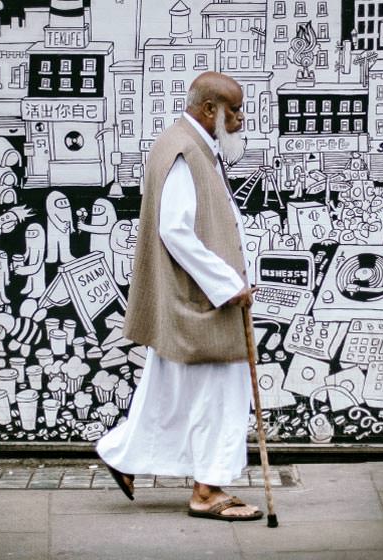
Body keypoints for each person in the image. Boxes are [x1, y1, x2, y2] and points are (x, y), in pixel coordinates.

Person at [96, 71, 262, 521]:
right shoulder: (186, 150)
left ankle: (123, 455)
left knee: (169, 388)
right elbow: (175, 230)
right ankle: (206, 492)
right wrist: (228, 287)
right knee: (220, 394)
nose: (242, 119)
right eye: (235, 110)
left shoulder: (190, 145)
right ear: (210, 109)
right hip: (202, 303)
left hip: (191, 302)